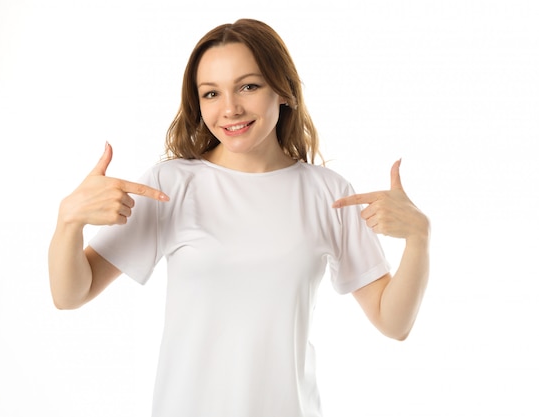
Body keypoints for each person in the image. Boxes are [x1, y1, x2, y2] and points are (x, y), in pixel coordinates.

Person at [48, 18, 430, 417]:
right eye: (211, 93)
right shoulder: (172, 185)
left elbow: (393, 322)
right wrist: (68, 223)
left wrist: (419, 237)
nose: (229, 108)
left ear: (283, 91)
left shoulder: (328, 193)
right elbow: (71, 294)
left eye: (248, 86)